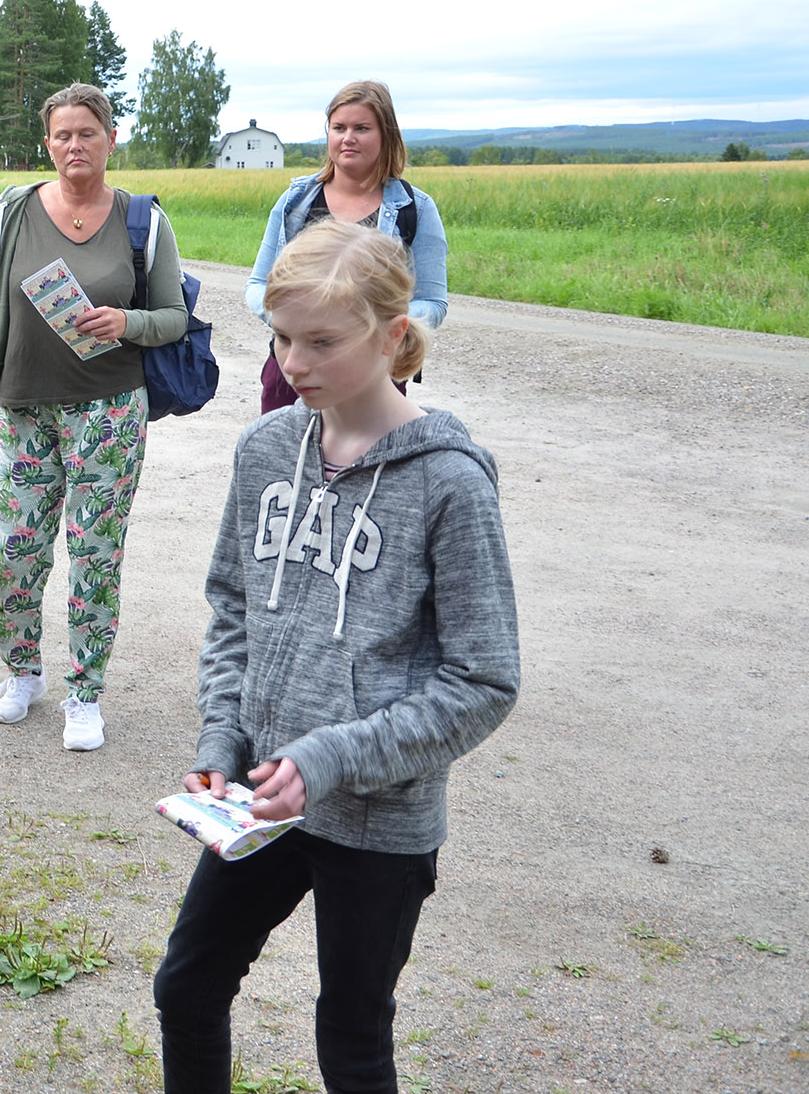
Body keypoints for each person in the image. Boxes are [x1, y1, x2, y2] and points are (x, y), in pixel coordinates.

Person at [152, 223, 520, 1093]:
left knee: (352, 1039)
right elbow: (233, 606)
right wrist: (221, 740)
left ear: (395, 335)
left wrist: (331, 758)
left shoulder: (451, 482)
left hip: (378, 819)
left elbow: (484, 679)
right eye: (282, 337)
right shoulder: (266, 449)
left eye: (323, 340)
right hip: (260, 801)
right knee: (187, 988)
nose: (297, 361)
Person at [0, 83, 191, 752]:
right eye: (62, 135)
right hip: (23, 407)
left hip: (110, 411)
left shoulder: (144, 220)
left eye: (87, 133)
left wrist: (126, 321)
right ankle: (23, 674)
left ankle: (86, 694)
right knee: (17, 550)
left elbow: (175, 317)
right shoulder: (13, 210)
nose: (74, 145)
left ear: (111, 139)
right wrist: (1, 323)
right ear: (46, 143)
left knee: (94, 555)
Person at [245, 80, 448, 413]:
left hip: (373, 376)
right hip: (292, 376)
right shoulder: (294, 202)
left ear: (387, 136)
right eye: (338, 127)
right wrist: (292, 323)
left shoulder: (416, 209)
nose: (348, 137)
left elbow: (433, 303)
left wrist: (365, 325)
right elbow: (257, 285)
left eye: (362, 128)